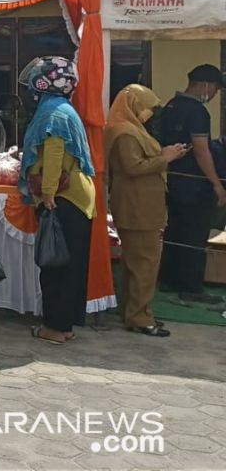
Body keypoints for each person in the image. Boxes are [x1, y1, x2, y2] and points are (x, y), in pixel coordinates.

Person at [18, 56, 96, 345]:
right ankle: (65, 325)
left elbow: (53, 152)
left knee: (55, 266)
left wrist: (48, 193)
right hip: (76, 198)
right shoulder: (63, 109)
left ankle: (55, 327)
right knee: (70, 265)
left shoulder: (52, 113)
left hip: (63, 198)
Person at [108, 84, 189, 337]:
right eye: (146, 107)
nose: (150, 113)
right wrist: (166, 157)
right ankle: (140, 318)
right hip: (137, 207)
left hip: (141, 206)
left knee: (137, 263)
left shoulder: (130, 129)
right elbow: (132, 167)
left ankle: (134, 313)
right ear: (132, 105)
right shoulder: (125, 133)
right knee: (145, 264)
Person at [158, 64, 226, 304]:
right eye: (216, 89)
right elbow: (202, 151)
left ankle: (168, 279)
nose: (215, 94)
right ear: (205, 85)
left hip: (175, 180)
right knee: (195, 236)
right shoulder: (197, 111)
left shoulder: (171, 105)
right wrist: (217, 184)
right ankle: (191, 286)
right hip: (196, 185)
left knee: (175, 231)